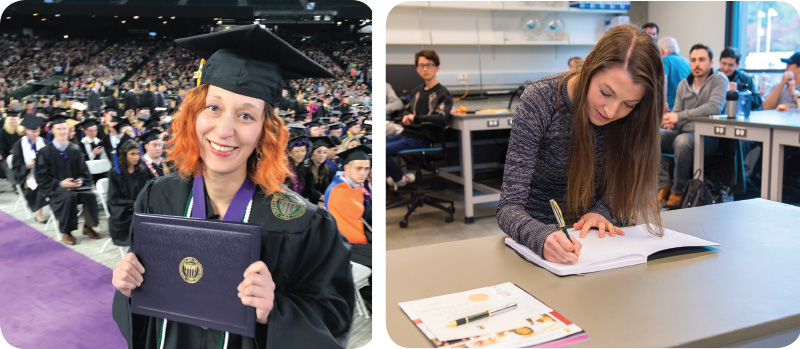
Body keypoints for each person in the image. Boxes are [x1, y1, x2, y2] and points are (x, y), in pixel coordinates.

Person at [111, 24, 354, 348]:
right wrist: (126, 286)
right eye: (214, 107)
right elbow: (143, 308)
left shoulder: (302, 222)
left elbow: (334, 317)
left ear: (264, 132)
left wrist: (274, 311)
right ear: (194, 115)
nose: (224, 130)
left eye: (246, 116)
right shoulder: (159, 196)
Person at [497, 24, 665, 264]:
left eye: (628, 104)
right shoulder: (540, 101)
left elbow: (624, 183)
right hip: (540, 245)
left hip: (605, 244)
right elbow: (508, 206)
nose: (612, 111)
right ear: (589, 66)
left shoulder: (636, 117)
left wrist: (601, 211)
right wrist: (540, 236)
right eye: (606, 92)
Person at [659, 44, 728, 206]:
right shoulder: (684, 84)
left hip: (708, 137)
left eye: (702, 60)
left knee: (683, 141)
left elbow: (713, 107)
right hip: (682, 132)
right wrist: (669, 121)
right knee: (654, 137)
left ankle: (677, 191)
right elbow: (676, 112)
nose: (697, 64)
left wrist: (679, 116)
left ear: (711, 63)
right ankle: (663, 184)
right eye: (693, 60)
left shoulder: (719, 80)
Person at [386, 49, 453, 190]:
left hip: (421, 138)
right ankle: (396, 177)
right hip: (406, 135)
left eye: (429, 65)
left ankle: (400, 178)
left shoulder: (442, 94)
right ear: (417, 69)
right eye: (422, 65)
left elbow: (440, 118)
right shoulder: (416, 91)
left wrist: (415, 118)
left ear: (437, 68)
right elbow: (408, 109)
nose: (425, 68)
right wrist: (406, 116)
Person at [34, 115, 101, 245]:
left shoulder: (75, 149)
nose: (62, 131)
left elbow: (84, 171)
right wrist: (61, 183)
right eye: (59, 129)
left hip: (76, 187)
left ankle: (88, 226)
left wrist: (81, 180)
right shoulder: (45, 152)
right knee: (69, 197)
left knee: (90, 195)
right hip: (56, 189)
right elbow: (41, 177)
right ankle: (66, 231)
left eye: (64, 128)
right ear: (52, 130)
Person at [324, 145, 372, 268]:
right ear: (347, 167)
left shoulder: (353, 183)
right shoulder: (339, 190)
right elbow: (355, 225)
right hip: (349, 243)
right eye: (359, 168)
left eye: (367, 169)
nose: (363, 173)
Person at [107, 135, 154, 246]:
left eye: (138, 153)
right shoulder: (115, 173)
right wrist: (132, 204)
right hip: (124, 211)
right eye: (132, 154)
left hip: (141, 206)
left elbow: (152, 185)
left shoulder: (142, 169)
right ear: (124, 155)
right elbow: (114, 198)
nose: (136, 157)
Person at [10, 115, 47, 222]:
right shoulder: (19, 145)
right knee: (39, 184)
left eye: (37, 131)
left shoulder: (43, 141)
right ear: (26, 130)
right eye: (32, 131)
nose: (35, 134)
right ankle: (38, 214)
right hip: (26, 175)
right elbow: (16, 167)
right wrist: (29, 165)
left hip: (44, 172)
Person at [658, 37, 691, 111]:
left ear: (662, 51)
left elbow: (664, 79)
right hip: (687, 107)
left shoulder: (665, 60)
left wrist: (663, 103)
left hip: (671, 107)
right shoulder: (687, 61)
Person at [304, 136, 336, 206]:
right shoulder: (305, 167)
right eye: (318, 152)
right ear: (312, 153)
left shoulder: (329, 168)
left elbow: (331, 187)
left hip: (324, 202)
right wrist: (321, 198)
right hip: (308, 203)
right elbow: (309, 190)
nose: (322, 155)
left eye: (324, 152)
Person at [285, 135, 312, 201]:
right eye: (297, 151)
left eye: (303, 151)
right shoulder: (285, 170)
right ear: (289, 153)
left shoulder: (304, 169)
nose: (301, 154)